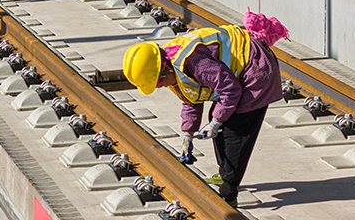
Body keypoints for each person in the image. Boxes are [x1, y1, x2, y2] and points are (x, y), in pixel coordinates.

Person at [121, 11, 288, 207]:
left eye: (159, 83)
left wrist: (216, 122)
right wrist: (188, 133)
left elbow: (230, 89)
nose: (161, 86)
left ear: (163, 69)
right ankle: (225, 173)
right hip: (240, 72)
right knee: (219, 119)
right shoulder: (171, 60)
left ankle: (228, 192)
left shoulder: (195, 63)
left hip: (257, 71)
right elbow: (191, 97)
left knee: (234, 130)